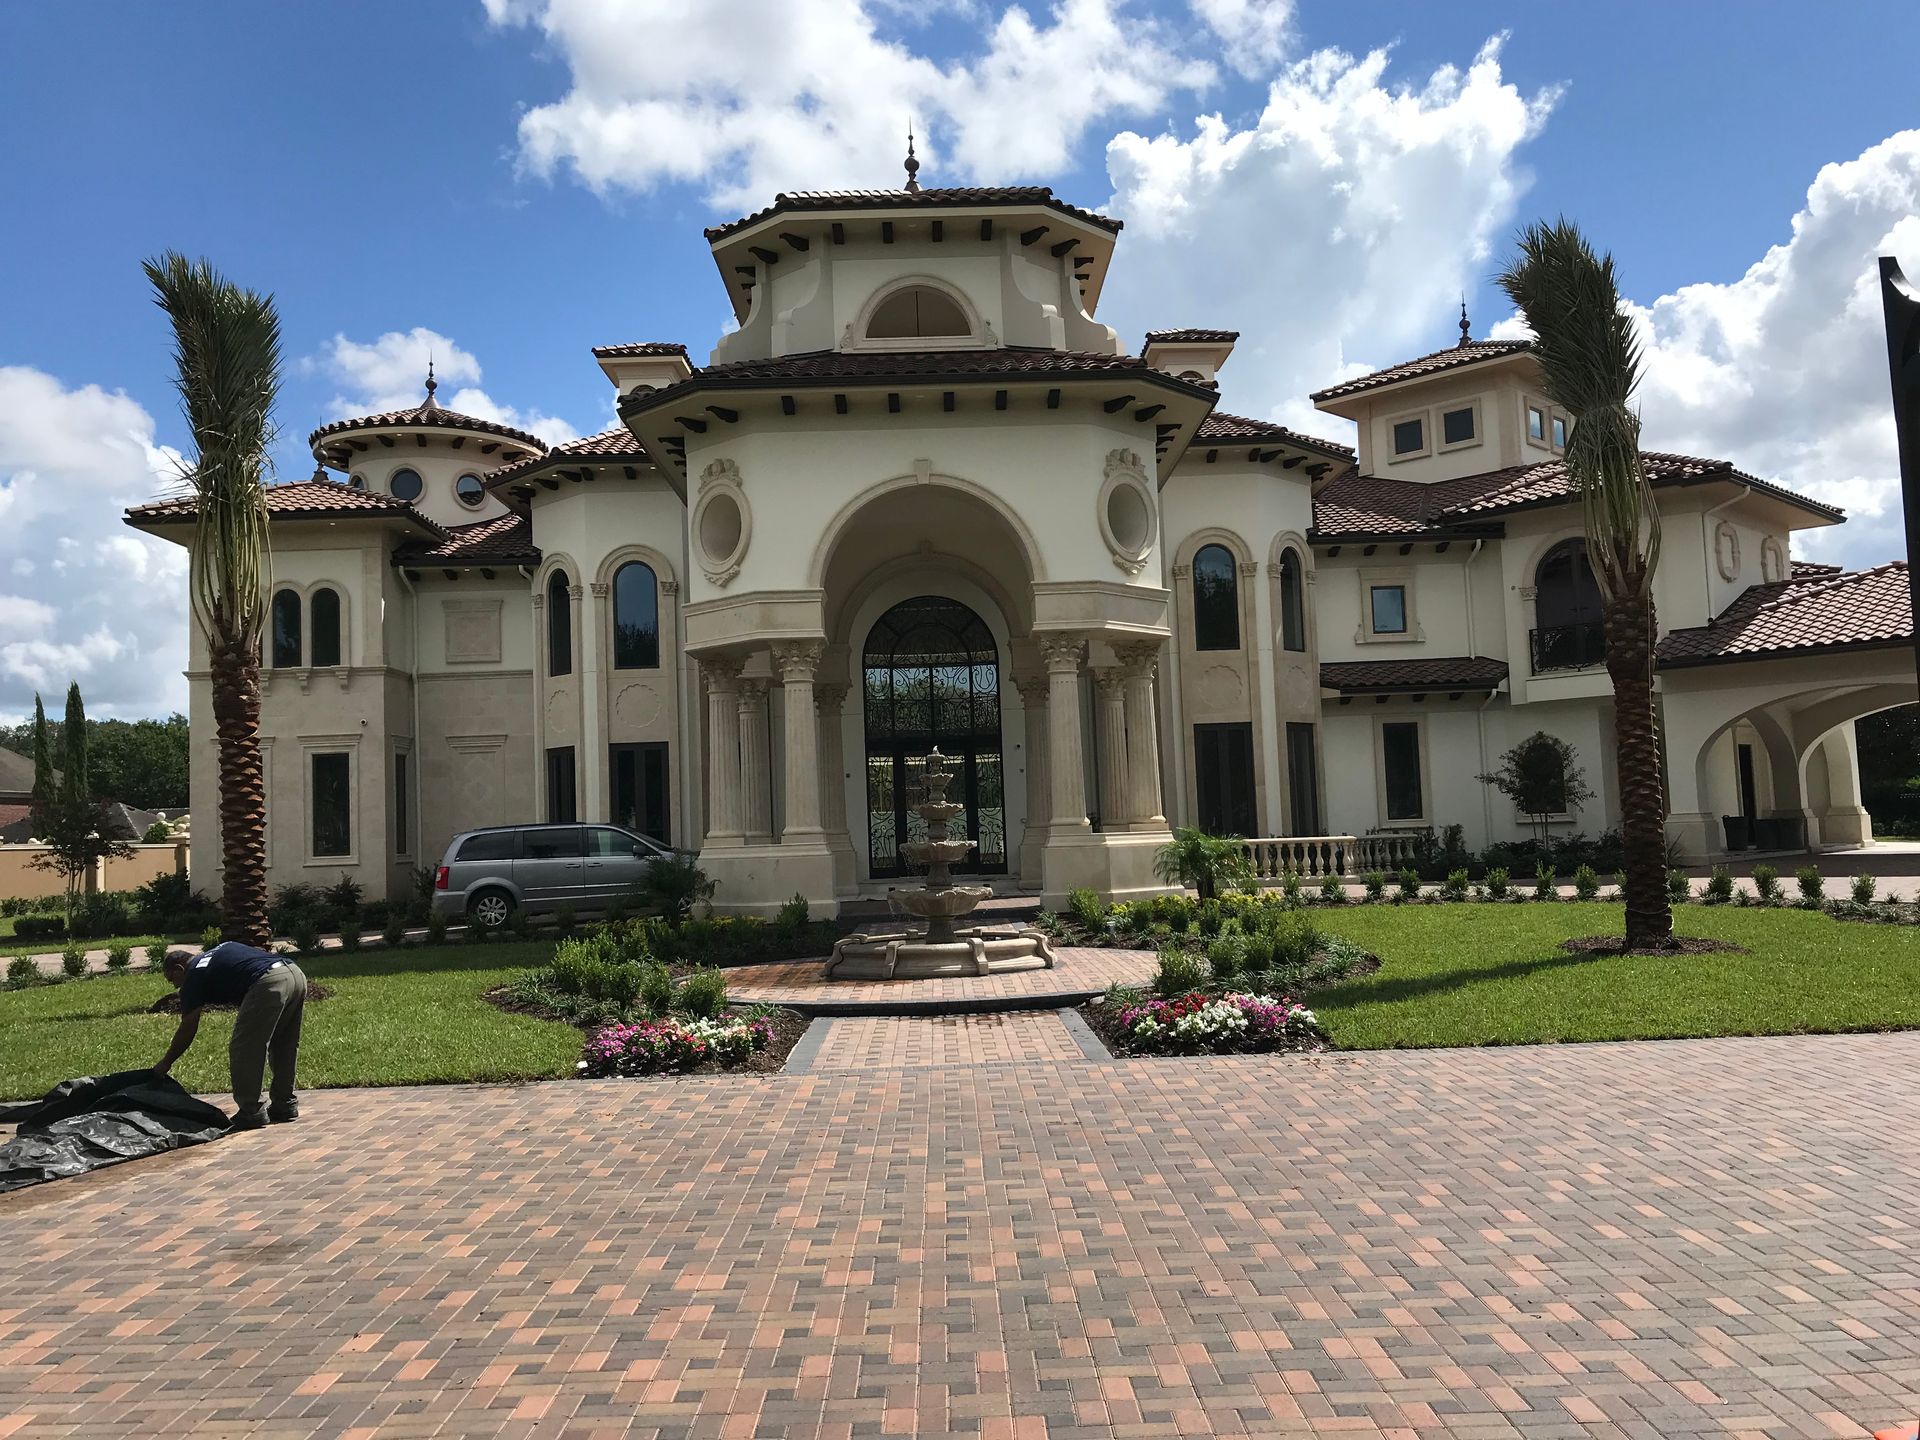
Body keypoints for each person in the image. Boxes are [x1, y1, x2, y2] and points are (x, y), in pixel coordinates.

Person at [155, 940, 307, 1130]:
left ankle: (251, 1111)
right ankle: (285, 1105)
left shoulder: (194, 974)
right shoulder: (217, 951)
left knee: (245, 1047)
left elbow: (188, 1027)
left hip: (268, 982)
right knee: (284, 1042)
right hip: (294, 973)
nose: (175, 987)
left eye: (172, 980)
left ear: (178, 969)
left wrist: (166, 1062)